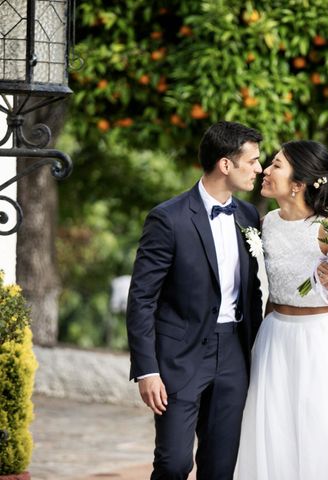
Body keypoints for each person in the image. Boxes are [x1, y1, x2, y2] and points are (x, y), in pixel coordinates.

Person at [235, 140, 328, 480]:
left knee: (322, 430)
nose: (266, 170)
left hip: (320, 341)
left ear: (298, 184)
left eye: (276, 165)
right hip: (275, 337)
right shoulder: (267, 223)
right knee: (274, 430)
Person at [126, 121, 264, 480]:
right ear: (225, 164)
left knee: (220, 466)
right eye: (252, 161)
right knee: (174, 463)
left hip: (233, 353)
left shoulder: (249, 216)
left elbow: (252, 291)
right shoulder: (168, 218)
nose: (258, 169)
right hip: (179, 357)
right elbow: (141, 297)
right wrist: (147, 369)